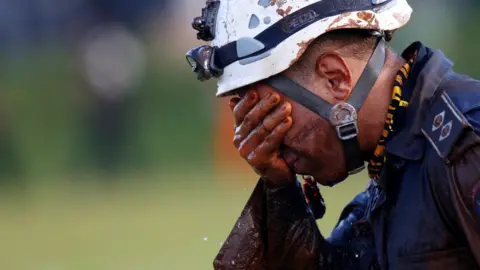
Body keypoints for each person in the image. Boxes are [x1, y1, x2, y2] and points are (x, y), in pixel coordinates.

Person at [185, 0, 480, 269]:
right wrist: (279, 190)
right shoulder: (396, 161)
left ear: (335, 78)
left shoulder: (467, 145)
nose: (271, 145)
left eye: (271, 115)